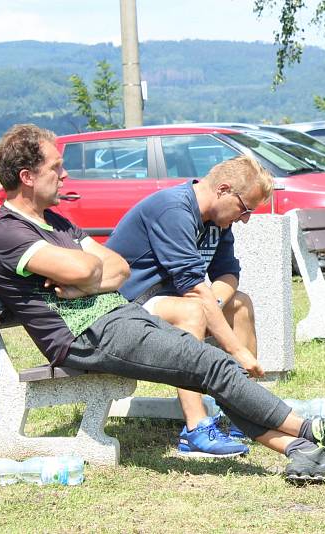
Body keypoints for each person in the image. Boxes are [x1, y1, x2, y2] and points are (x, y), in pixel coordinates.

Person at [0, 123, 325, 485]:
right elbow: (90, 266)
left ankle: (300, 451)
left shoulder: (58, 224)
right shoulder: (9, 232)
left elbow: (116, 267)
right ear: (27, 177)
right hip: (85, 336)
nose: (65, 175)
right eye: (57, 167)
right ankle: (310, 431)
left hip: (117, 318)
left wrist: (86, 279)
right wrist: (89, 271)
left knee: (205, 366)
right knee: (211, 362)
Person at [106, 155, 270, 459]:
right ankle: (196, 429)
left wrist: (216, 307)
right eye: (245, 208)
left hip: (168, 303)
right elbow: (195, 289)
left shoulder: (218, 221)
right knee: (193, 310)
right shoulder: (174, 209)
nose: (245, 218)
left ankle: (240, 413)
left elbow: (227, 275)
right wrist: (237, 350)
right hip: (124, 309)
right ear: (223, 190)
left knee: (241, 305)